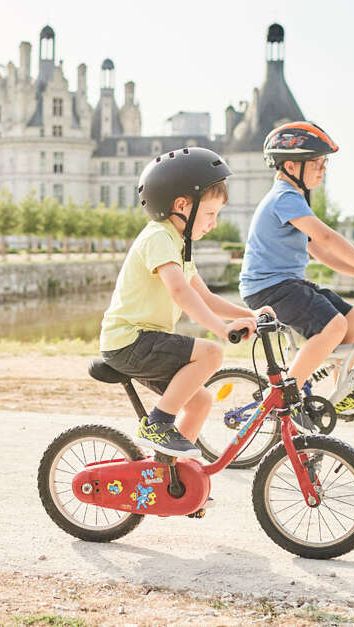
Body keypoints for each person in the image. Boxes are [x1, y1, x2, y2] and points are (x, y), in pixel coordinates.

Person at [99, 147, 274, 458]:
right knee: (210, 352)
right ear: (181, 206)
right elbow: (181, 293)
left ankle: (171, 474)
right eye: (210, 214)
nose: (214, 224)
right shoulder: (159, 237)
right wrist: (222, 330)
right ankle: (157, 424)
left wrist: (250, 315)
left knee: (201, 401)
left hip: (147, 341)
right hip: (129, 340)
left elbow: (205, 297)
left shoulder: (179, 245)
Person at [239, 121, 354, 420]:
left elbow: (320, 251)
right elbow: (327, 237)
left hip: (286, 283)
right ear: (290, 166)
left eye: (324, 164)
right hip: (268, 288)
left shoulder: (294, 199)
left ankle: (342, 392)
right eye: (316, 163)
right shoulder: (284, 197)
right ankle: (287, 400)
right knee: (332, 326)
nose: (323, 169)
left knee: (351, 319)